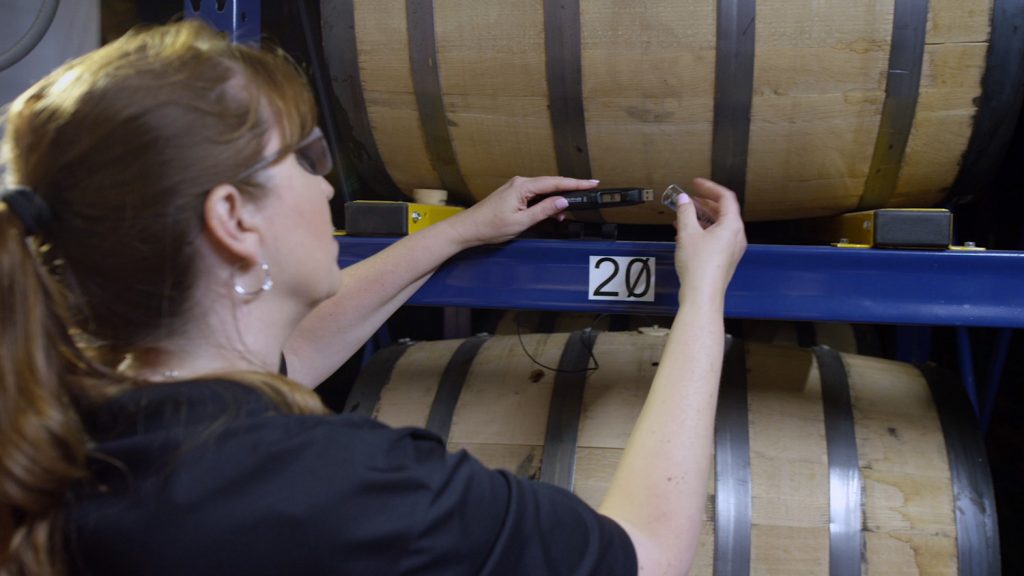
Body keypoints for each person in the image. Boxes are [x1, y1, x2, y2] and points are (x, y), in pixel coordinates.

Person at [0, 20, 746, 576]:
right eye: (305, 155)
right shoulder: (350, 487)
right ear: (232, 218)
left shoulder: (70, 440)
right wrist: (703, 296)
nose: (327, 184)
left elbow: (280, 360)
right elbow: (645, 554)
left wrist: (455, 234)